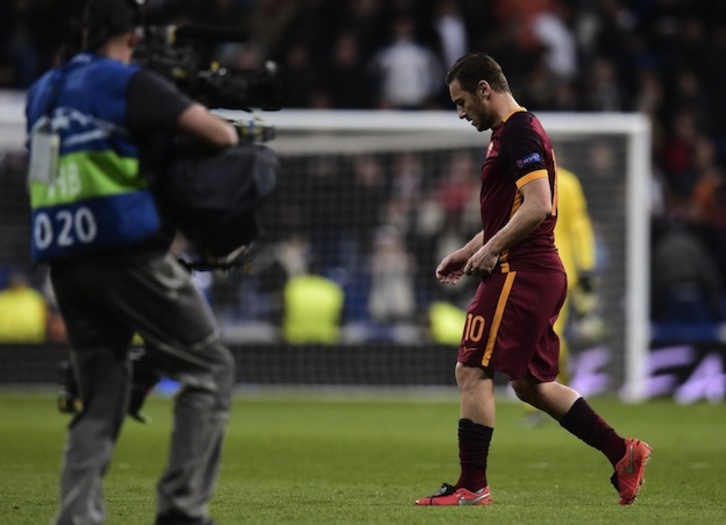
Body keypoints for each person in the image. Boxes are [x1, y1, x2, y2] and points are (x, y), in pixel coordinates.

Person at [25, 1, 239, 524]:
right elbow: (222, 136)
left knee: (102, 391)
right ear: (129, 36)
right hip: (125, 252)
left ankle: (75, 516)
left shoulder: (42, 90)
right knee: (210, 368)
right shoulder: (128, 83)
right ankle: (182, 511)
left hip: (63, 261)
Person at [415, 52, 652, 507]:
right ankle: (623, 452)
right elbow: (511, 211)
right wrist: (466, 253)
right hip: (531, 269)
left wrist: (489, 251)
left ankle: (472, 485)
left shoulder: (520, 130)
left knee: (471, 368)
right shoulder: (511, 133)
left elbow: (539, 205)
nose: (461, 113)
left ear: (486, 89)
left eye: (463, 102)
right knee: (530, 384)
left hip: (520, 271)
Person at [522, 165, 601, 427]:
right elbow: (580, 225)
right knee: (540, 337)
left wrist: (587, 265)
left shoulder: (529, 180)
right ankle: (558, 396)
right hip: (544, 271)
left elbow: (579, 226)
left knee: (543, 337)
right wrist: (587, 266)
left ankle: (550, 399)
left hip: (550, 273)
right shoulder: (566, 181)